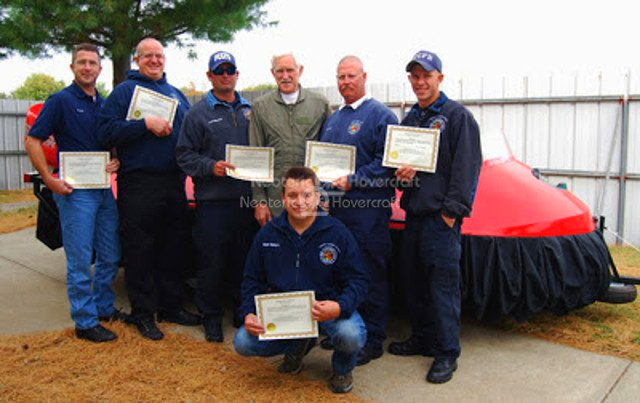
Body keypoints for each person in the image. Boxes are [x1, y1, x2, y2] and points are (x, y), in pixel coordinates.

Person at [388, 50, 482, 384]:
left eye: (426, 75)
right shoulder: (411, 119)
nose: (420, 82)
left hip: (441, 221)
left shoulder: (458, 118)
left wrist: (450, 216)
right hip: (413, 217)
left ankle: (446, 353)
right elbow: (396, 168)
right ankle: (423, 338)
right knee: (413, 285)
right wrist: (400, 176)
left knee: (442, 289)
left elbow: (467, 170)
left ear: (440, 78)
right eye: (414, 76)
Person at [97, 37, 199, 341]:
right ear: (137, 60)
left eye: (159, 56)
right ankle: (143, 313)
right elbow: (104, 132)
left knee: (172, 248)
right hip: (139, 183)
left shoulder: (176, 94)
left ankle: (170, 306)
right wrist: (145, 125)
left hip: (174, 181)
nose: (155, 61)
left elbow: (190, 135)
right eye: (148, 56)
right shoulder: (124, 92)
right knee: (140, 250)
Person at [233, 167, 368, 394]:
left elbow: (359, 280)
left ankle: (342, 368)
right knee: (243, 342)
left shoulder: (338, 233)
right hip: (285, 313)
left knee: (351, 335)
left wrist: (339, 306)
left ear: (317, 196)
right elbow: (251, 281)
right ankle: (297, 345)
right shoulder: (268, 234)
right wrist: (248, 313)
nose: (300, 202)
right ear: (283, 199)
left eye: (307, 195)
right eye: (293, 195)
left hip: (326, 309)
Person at [25, 43, 125, 342]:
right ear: (72, 67)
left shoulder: (104, 104)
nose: (87, 67)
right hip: (74, 192)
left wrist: (114, 159)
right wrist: (49, 179)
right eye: (81, 62)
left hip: (103, 189)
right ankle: (84, 321)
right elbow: (33, 140)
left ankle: (104, 307)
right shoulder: (59, 101)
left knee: (110, 254)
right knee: (81, 259)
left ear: (99, 68)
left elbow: (108, 142)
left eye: (92, 62)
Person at [318, 55, 398, 365]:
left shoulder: (381, 116)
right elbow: (323, 166)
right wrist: (323, 192)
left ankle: (374, 338)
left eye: (351, 76)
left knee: (370, 273)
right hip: (336, 213)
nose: (345, 82)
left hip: (368, 213)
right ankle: (344, 332)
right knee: (341, 272)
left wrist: (354, 181)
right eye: (341, 77)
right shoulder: (334, 118)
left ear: (364, 76)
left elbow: (387, 164)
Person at [176, 51, 258, 342]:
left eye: (230, 70)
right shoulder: (196, 114)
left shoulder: (252, 110)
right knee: (211, 263)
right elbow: (184, 156)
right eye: (219, 71)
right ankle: (211, 317)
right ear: (209, 76)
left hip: (247, 200)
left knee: (244, 261)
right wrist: (211, 167)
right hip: (213, 202)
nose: (225, 75)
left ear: (237, 74)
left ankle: (240, 311)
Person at [249, 53, 332, 224]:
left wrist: (325, 195)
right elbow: (256, 155)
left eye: (290, 70)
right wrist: (260, 200)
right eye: (280, 71)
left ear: (300, 71)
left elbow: (328, 152)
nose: (285, 76)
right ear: (273, 73)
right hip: (276, 197)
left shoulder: (320, 104)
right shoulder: (261, 107)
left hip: (311, 197)